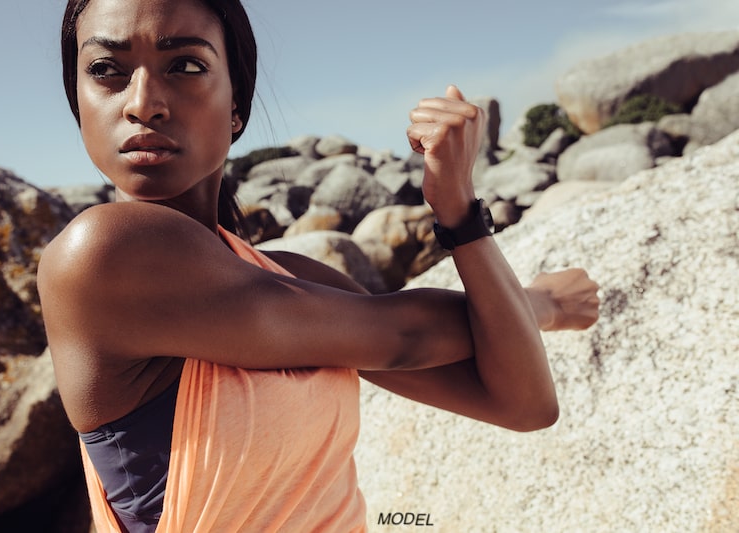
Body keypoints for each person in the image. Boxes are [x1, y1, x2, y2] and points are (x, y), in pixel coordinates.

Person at [38, 0, 600, 531]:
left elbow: (523, 403)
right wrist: (541, 303)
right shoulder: (102, 254)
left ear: (237, 106)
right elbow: (408, 335)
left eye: (184, 65)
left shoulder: (294, 277)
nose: (142, 101)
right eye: (108, 69)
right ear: (78, 100)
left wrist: (457, 206)